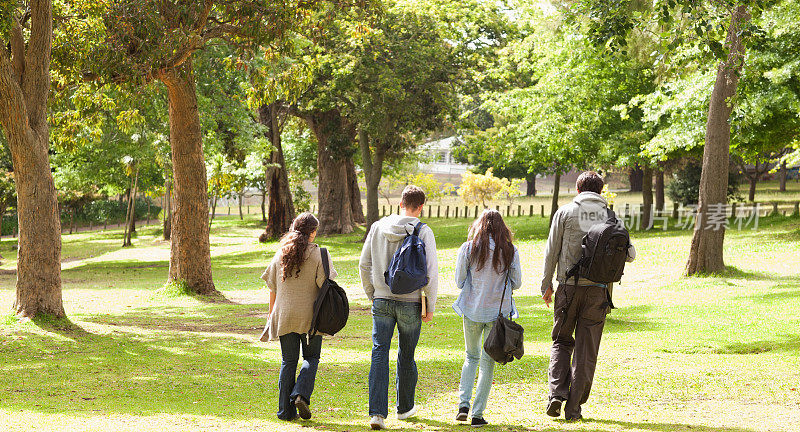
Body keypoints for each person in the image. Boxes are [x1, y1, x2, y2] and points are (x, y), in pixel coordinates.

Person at [541, 171, 636, 421]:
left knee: (561, 341)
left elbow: (551, 251)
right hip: (599, 292)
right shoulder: (612, 217)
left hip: (568, 289)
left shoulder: (564, 212)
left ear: (577, 188)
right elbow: (630, 254)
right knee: (587, 350)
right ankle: (574, 408)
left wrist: (546, 285)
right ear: (602, 190)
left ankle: (556, 396)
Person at [359, 185, 438, 430]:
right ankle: (404, 408)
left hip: (382, 300)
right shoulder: (423, 231)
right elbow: (431, 273)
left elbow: (364, 264)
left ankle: (377, 414)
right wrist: (430, 305)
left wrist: (372, 293)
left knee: (379, 353)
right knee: (406, 354)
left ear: (399, 203)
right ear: (421, 207)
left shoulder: (377, 227)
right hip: (411, 302)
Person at [259, 212, 338, 421]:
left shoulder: (281, 253)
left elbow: (272, 287)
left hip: (284, 315)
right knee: (311, 358)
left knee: (288, 361)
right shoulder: (320, 254)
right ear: (313, 232)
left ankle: (285, 412)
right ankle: (301, 394)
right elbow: (325, 286)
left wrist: (271, 315)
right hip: (311, 318)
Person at [453, 209, 522, 428]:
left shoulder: (468, 248)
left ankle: (463, 405)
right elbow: (517, 282)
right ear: (503, 228)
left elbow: (459, 280)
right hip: (497, 314)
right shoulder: (510, 250)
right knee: (487, 363)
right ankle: (477, 414)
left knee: (470, 357)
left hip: (471, 309)